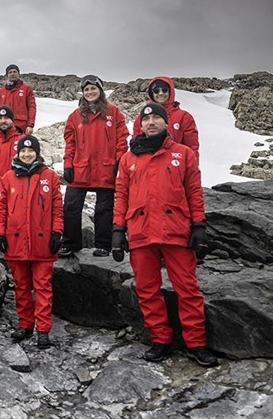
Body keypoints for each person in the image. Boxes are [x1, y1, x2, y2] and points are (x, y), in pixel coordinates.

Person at [112, 103, 218, 367]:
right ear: (140, 125)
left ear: (166, 122)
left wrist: (198, 225)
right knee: (147, 290)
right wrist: (117, 230)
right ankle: (160, 340)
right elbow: (121, 196)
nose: (151, 123)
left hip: (176, 231)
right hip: (141, 231)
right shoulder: (128, 159)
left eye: (156, 118)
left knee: (188, 289)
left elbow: (194, 191)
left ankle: (196, 343)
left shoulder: (183, 154)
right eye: (146, 119)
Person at [0, 136, 62, 349]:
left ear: (37, 153)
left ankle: (43, 330)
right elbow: (1, 209)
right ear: (18, 153)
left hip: (42, 242)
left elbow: (57, 208)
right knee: (21, 286)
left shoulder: (50, 176)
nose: (26, 154)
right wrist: (0, 234)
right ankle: (25, 325)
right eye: (23, 151)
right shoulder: (8, 178)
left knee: (43, 287)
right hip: (16, 240)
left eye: (30, 151)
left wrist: (57, 232)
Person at [58, 75, 130, 257]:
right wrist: (68, 165)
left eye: (93, 88)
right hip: (81, 168)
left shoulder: (114, 113)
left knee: (104, 208)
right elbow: (70, 143)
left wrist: (119, 160)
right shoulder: (74, 117)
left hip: (106, 168)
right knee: (71, 206)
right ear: (82, 93)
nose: (90, 92)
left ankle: (103, 245)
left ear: (100, 90)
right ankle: (70, 243)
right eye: (86, 89)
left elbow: (122, 139)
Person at [131, 76, 200, 157]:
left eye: (164, 90)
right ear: (151, 93)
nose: (160, 93)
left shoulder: (184, 117)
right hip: (147, 162)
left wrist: (192, 164)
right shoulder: (141, 118)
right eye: (156, 91)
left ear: (170, 91)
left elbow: (192, 148)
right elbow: (136, 145)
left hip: (176, 162)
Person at [0, 64, 36, 135]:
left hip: (21, 126)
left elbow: (31, 107)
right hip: (4, 125)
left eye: (15, 72)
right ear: (7, 75)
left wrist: (30, 125)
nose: (12, 74)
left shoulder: (26, 89)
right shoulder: (2, 91)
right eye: (10, 72)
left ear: (19, 74)